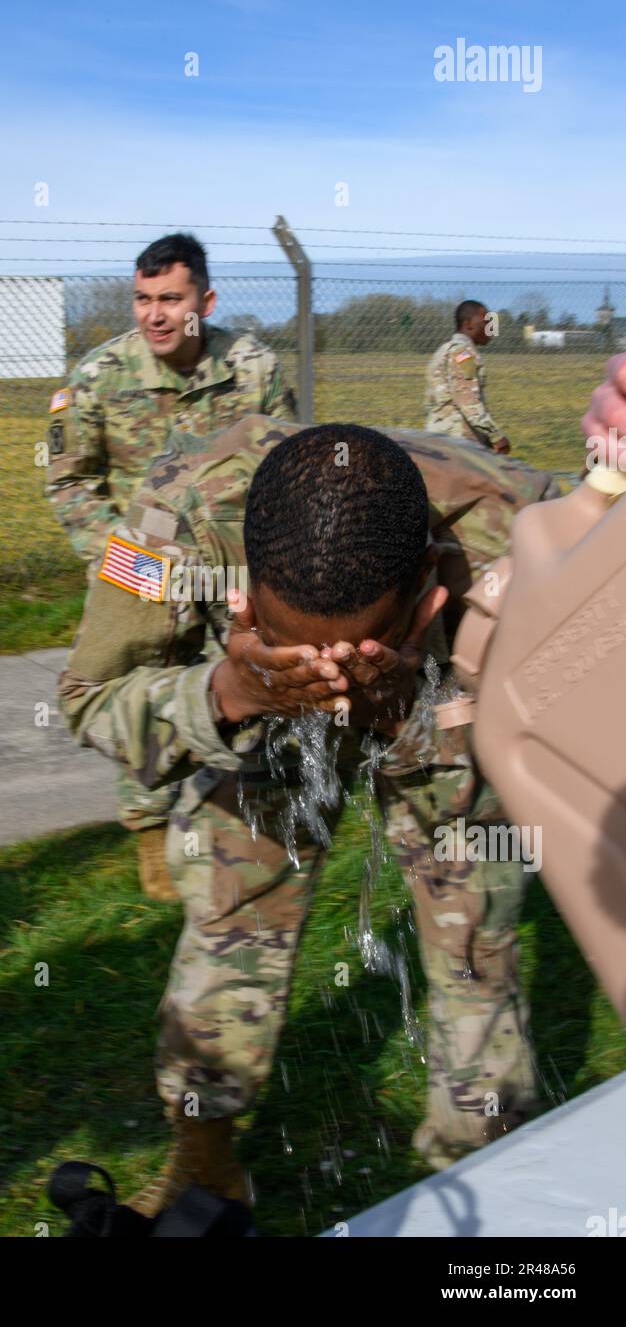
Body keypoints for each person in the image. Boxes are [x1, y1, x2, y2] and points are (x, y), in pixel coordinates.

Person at [59, 413, 559, 1212]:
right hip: (259, 715)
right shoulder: (174, 519)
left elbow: (562, 727)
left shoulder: (525, 531)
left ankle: (486, 1182)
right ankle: (202, 1165)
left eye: (354, 648)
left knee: (477, 938)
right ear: (245, 579)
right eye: (294, 642)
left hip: (441, 714)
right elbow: (89, 700)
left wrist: (420, 712)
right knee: (231, 917)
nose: (325, 677)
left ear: (429, 579)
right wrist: (232, 691)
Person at [46, 233, 296, 901]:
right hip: (140, 569)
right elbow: (70, 484)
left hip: (230, 566)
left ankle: (238, 840)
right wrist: (127, 564)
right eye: (142, 299)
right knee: (143, 695)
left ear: (204, 301)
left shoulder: (252, 369)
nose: (154, 313)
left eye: (170, 298)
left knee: (245, 693)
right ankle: (152, 843)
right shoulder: (100, 378)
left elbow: (287, 469)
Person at [425, 300, 510, 452]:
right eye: (486, 322)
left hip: (439, 437)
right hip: (458, 441)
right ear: (468, 324)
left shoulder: (443, 350)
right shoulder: (463, 353)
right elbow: (467, 400)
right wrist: (496, 435)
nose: (490, 328)